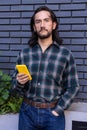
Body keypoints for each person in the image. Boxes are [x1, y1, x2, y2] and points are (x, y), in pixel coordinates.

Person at [12, 6, 80, 130]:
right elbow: (15, 88)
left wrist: (58, 109)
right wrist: (18, 82)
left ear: (54, 25)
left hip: (53, 115)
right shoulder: (24, 53)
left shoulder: (65, 54)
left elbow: (73, 87)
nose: (42, 25)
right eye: (38, 21)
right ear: (34, 27)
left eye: (46, 20)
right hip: (27, 113)